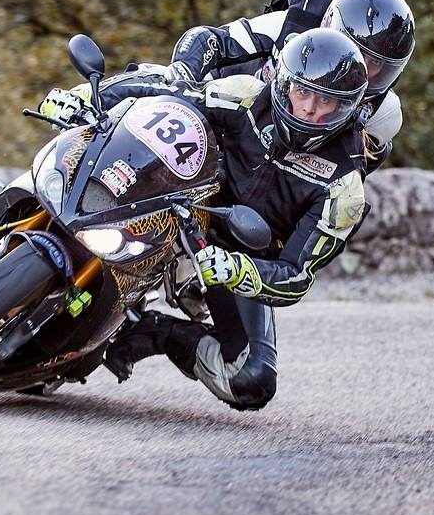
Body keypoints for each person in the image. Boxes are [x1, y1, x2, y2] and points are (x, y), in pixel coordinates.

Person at [39, 28, 372, 411]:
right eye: (302, 92)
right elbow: (166, 88)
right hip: (179, 200)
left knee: (252, 379)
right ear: (283, 83)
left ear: (347, 108)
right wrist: (86, 98)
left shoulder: (344, 187)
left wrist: (236, 270)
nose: (310, 108)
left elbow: (295, 276)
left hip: (232, 254)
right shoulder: (246, 95)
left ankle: (156, 333)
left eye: (326, 100)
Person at [167, 0, 415, 173]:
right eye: (355, 51)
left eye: (373, 63)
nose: (356, 65)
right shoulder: (292, 24)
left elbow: (349, 181)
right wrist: (177, 80)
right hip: (216, 119)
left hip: (274, 175)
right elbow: (208, 39)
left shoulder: (384, 115)